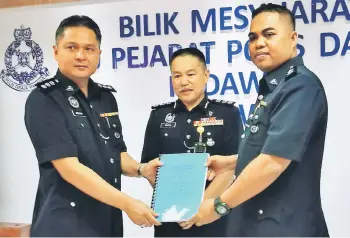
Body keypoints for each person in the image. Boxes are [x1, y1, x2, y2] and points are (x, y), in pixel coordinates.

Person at [190, 3, 329, 237]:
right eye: (253, 37)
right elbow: (272, 148)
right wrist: (233, 162)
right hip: (258, 224)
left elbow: (273, 162)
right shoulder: (274, 87)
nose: (259, 43)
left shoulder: (300, 86)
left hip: (286, 228)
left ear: (293, 38)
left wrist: (219, 205)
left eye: (269, 34)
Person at [24, 15, 161, 237]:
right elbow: (70, 169)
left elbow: (116, 153)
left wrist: (141, 169)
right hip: (65, 225)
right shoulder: (43, 99)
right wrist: (128, 204)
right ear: (56, 51)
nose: (81, 55)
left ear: (99, 55)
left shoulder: (105, 98)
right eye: (72, 47)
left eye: (89, 49)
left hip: (106, 222)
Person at [140, 47, 243, 237]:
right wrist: (175, 202)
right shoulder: (159, 116)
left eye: (191, 74)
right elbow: (150, 166)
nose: (184, 82)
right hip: (171, 220)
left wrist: (201, 206)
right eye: (177, 76)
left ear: (205, 75)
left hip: (214, 217)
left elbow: (232, 167)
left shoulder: (227, 114)